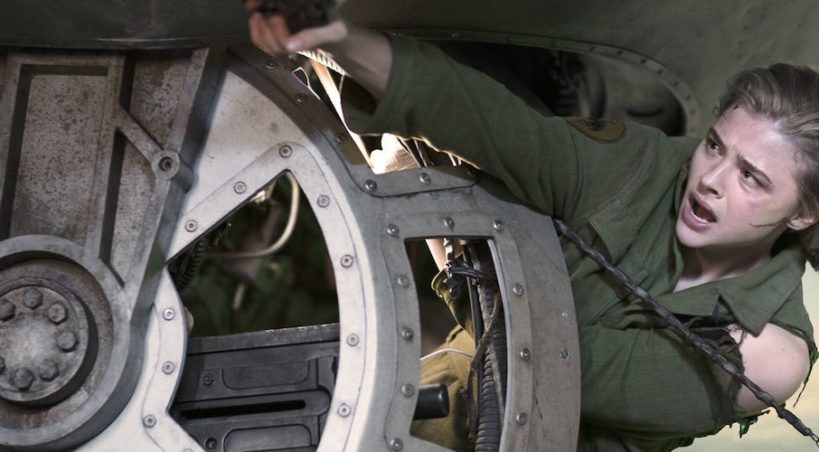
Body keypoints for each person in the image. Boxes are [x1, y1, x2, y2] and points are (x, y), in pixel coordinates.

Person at [246, 7, 819, 451]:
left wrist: (461, 255)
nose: (710, 180)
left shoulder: (771, 352)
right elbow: (502, 130)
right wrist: (336, 40)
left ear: (802, 214)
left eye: (751, 177)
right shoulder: (648, 166)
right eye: (715, 145)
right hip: (430, 408)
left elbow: (553, 363)